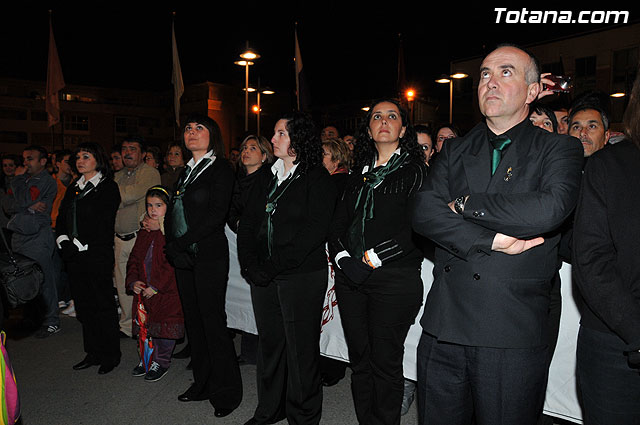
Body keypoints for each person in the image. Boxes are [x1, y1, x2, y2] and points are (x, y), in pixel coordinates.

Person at [412, 44, 583, 425]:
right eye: (485, 73)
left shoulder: (558, 148)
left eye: (506, 72)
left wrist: (464, 203)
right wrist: (490, 239)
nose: (490, 81)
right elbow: (424, 212)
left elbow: (548, 209)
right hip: (445, 326)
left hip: (512, 329)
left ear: (533, 90)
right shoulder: (454, 150)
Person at [328, 98, 426, 425]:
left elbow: (415, 229)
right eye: (376, 117)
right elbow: (338, 223)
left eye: (392, 116)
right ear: (369, 129)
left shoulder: (416, 171)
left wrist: (369, 259)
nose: (383, 121)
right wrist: (343, 259)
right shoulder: (358, 173)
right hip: (351, 278)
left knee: (385, 363)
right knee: (360, 362)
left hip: (394, 280)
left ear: (403, 128)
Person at [237, 111, 337, 425]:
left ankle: (303, 415)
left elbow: (312, 232)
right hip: (264, 275)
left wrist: (272, 267)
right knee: (270, 345)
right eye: (276, 133)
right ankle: (269, 408)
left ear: (299, 140)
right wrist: (250, 265)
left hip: (301, 275)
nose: (275, 139)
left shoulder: (316, 177)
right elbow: (248, 222)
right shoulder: (266, 174)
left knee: (300, 350)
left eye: (282, 133)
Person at [572, 61, 640, 425]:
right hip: (617, 338)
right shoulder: (608, 168)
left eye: (592, 126)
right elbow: (590, 257)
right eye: (576, 126)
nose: (583, 134)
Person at [164, 114, 242, 418]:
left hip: (209, 255)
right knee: (194, 323)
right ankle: (203, 383)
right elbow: (174, 211)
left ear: (213, 135)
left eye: (199, 128)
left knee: (213, 323)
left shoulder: (221, 168)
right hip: (183, 256)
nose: (192, 132)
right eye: (187, 129)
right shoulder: (184, 172)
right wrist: (173, 246)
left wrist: (180, 244)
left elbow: (215, 216)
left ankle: (227, 393)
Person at [56, 142, 121, 374]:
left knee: (102, 305)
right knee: (84, 306)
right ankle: (92, 352)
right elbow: (62, 216)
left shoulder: (108, 187)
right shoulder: (74, 186)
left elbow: (103, 223)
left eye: (86, 156)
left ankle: (110, 354)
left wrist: (81, 246)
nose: (80, 161)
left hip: (96, 254)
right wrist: (64, 241)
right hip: (73, 256)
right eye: (78, 157)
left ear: (98, 160)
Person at [127, 186, 184, 382]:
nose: (153, 210)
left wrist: (157, 286)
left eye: (159, 205)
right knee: (146, 326)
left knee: (164, 328)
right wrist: (133, 280)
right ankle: (147, 358)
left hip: (166, 292)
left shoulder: (171, 231)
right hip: (145, 289)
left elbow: (171, 265)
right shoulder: (145, 231)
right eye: (150, 205)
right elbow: (135, 258)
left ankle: (161, 361)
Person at [227, 134, 274, 366]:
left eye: (253, 148)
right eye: (244, 147)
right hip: (241, 245)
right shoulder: (238, 181)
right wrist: (238, 224)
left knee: (259, 300)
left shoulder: (269, 180)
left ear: (265, 156)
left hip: (260, 248)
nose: (246, 151)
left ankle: (264, 352)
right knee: (245, 300)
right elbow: (232, 211)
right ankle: (249, 351)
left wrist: (247, 227)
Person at [8, 145, 59, 338]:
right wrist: (27, 205)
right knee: (24, 281)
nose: (25, 163)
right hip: (19, 236)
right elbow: (8, 204)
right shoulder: (22, 180)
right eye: (24, 159)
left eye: (30, 159)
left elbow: (24, 199)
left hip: (37, 236)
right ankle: (33, 319)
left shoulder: (45, 181)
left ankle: (52, 320)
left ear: (43, 161)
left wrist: (19, 181)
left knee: (44, 279)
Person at [113, 136, 161, 338]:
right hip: (118, 238)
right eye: (124, 148)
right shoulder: (118, 175)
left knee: (144, 284)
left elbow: (126, 196)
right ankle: (125, 327)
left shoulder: (150, 173)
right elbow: (113, 200)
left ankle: (148, 325)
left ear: (142, 154)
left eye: (132, 148)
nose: (127, 152)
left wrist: (121, 196)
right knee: (124, 284)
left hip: (139, 238)